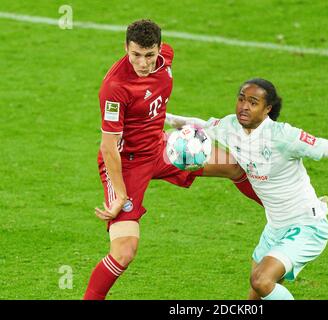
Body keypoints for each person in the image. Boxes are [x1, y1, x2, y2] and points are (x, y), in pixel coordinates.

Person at [165, 78, 328, 300]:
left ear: (267, 109)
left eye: (253, 103)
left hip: (307, 225)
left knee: (261, 280)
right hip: (275, 227)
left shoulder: (285, 137)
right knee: (255, 294)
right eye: (241, 98)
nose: (244, 107)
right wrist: (160, 117)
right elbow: (198, 124)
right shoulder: (231, 126)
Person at [83, 20, 261, 300]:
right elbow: (108, 148)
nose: (143, 63)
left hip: (163, 147)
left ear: (158, 50)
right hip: (126, 163)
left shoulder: (166, 58)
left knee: (235, 165)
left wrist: (175, 124)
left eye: (149, 55)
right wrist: (118, 194)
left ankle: (286, 215)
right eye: (136, 55)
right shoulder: (115, 88)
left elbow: (154, 101)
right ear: (126, 49)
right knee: (124, 252)